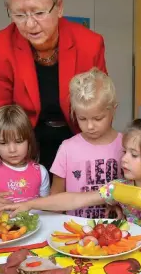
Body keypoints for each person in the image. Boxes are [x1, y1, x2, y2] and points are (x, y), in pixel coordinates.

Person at [0, 0, 107, 172]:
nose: (30, 24)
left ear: (59, 7)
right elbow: (0, 111)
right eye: (19, 15)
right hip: (23, 141)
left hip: (78, 137)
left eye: (39, 13)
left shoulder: (90, 44)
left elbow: (101, 105)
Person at [0, 118, 141, 231]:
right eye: (124, 151)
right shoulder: (119, 188)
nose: (124, 159)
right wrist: (29, 203)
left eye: (134, 155)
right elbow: (74, 200)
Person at [50, 68, 123, 219]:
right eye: (82, 119)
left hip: (119, 230)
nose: (90, 126)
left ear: (113, 110)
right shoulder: (67, 148)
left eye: (98, 118)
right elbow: (55, 197)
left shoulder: (127, 145)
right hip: (77, 230)